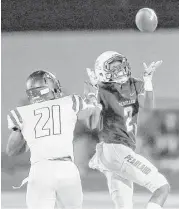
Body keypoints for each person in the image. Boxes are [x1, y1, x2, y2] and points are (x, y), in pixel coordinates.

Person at [85, 51, 170, 209]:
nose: (120, 70)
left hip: (119, 151)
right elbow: (91, 123)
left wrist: (148, 80)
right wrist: (92, 95)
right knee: (161, 187)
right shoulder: (102, 90)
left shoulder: (133, 84)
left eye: (120, 65)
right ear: (103, 72)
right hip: (115, 148)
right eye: (114, 67)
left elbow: (149, 106)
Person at [6, 70, 102, 209]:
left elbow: (11, 150)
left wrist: (26, 133)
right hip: (67, 169)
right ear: (52, 88)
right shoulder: (70, 102)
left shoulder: (22, 113)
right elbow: (92, 123)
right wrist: (93, 98)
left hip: (40, 170)